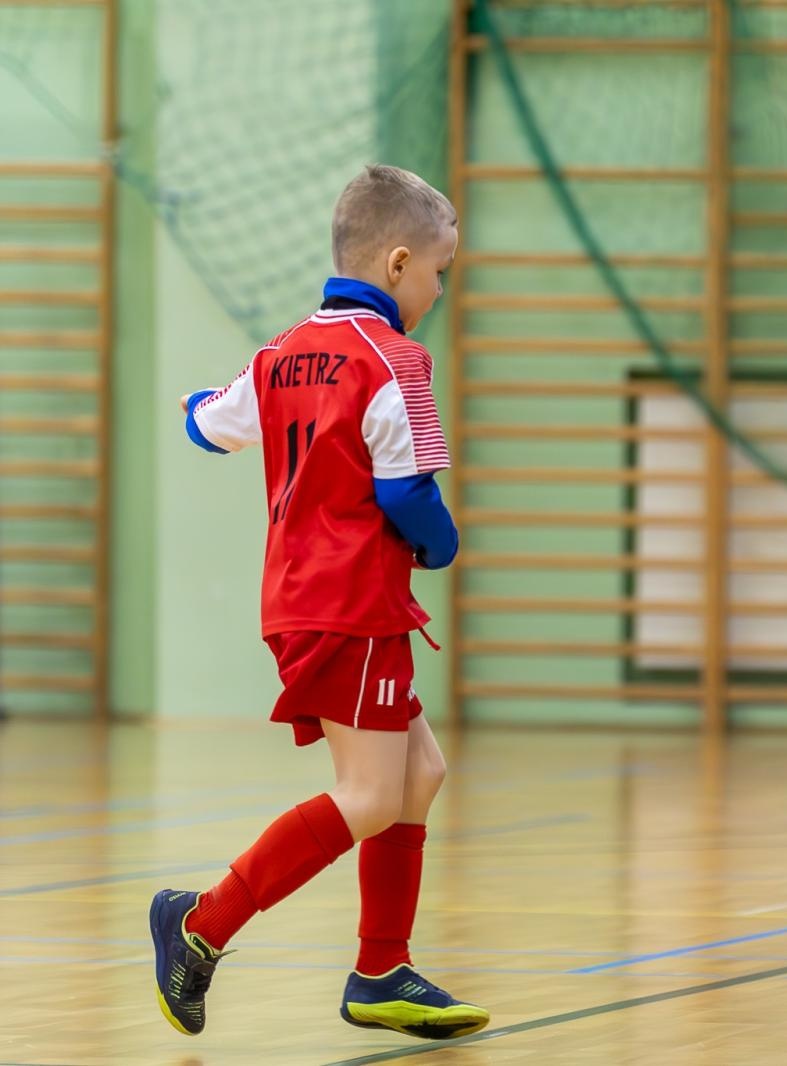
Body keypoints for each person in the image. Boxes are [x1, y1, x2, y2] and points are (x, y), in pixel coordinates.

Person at [150, 164, 488, 1041]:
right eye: (440, 273)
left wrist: (193, 404)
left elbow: (207, 422)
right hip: (356, 602)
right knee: (373, 794)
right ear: (399, 263)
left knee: (421, 773)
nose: (441, 290)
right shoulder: (398, 361)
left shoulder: (283, 351)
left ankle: (382, 969)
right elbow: (412, 498)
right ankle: (201, 925)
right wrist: (444, 545)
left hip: (299, 599)